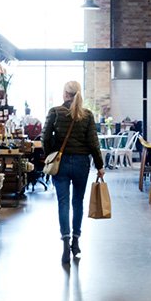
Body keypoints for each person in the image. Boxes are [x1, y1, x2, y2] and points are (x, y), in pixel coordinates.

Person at [42, 81, 104, 263]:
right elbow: (93, 143)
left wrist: (50, 155)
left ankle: (65, 245)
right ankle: (76, 242)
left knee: (63, 203)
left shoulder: (54, 112)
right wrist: (100, 165)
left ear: (64, 94)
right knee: (77, 202)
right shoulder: (87, 115)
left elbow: (45, 137)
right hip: (81, 164)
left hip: (60, 164)